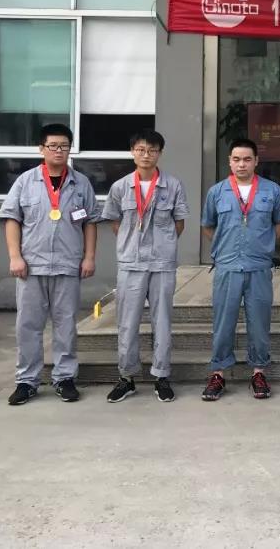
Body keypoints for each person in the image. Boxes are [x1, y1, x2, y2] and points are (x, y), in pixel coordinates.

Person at [0, 123, 97, 405]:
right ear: (41, 148)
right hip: (31, 266)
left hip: (68, 265)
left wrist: (89, 257)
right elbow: (12, 219)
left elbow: (90, 222)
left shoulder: (81, 184)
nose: (58, 151)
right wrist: (15, 256)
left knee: (66, 324)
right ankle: (27, 381)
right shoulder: (25, 182)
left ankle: (64, 378)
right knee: (28, 325)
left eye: (64, 146)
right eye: (53, 146)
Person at [98, 130, 189, 403]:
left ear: (160, 153)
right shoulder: (120, 187)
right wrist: (131, 246)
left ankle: (162, 376)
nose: (146, 155)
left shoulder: (173, 185)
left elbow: (179, 223)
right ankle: (127, 377)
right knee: (127, 322)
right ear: (132, 152)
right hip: (131, 264)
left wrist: (163, 245)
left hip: (162, 264)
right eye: (140, 149)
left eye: (152, 150)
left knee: (162, 321)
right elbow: (115, 222)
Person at [200, 138, 280, 401]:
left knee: (259, 322)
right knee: (223, 322)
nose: (242, 164)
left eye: (247, 159)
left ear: (256, 161)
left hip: (258, 266)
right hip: (227, 266)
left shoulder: (272, 190)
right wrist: (225, 248)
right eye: (237, 159)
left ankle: (258, 371)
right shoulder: (217, 192)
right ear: (230, 161)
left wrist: (262, 244)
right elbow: (208, 225)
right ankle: (218, 374)